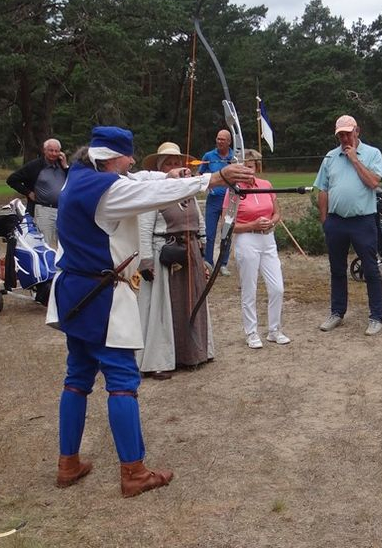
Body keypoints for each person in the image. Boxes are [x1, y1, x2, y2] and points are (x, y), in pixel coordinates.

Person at [46, 126, 254, 497]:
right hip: (99, 296)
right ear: (112, 157)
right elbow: (140, 190)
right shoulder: (105, 190)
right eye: (126, 157)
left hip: (74, 291)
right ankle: (134, 472)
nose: (129, 163)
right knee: (122, 381)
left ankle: (68, 463)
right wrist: (213, 178)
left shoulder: (79, 175)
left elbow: (136, 179)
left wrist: (168, 174)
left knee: (77, 377)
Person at [136, 142, 214, 379]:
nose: (174, 166)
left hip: (189, 252)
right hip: (164, 253)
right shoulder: (154, 192)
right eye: (168, 163)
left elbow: (199, 223)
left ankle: (195, 353)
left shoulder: (186, 190)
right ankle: (159, 360)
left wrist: (202, 250)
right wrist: (146, 260)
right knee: (163, 307)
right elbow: (144, 227)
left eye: (177, 162)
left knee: (192, 301)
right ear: (160, 168)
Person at [313, 115, 382, 336]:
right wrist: (325, 220)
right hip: (336, 221)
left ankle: (376, 316)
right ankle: (337, 312)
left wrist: (354, 159)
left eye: (347, 133)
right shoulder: (330, 157)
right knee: (337, 269)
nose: (344, 138)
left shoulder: (372, 154)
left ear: (357, 131)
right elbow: (323, 189)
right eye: (340, 134)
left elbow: (374, 182)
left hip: (363, 220)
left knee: (370, 269)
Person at [223, 149, 291, 349]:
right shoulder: (234, 190)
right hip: (246, 239)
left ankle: (274, 329)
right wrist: (252, 225)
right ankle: (251, 332)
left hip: (267, 239)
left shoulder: (266, 185)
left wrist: (271, 222)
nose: (247, 171)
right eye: (243, 167)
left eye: (250, 167)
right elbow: (227, 224)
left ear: (257, 167)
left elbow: (277, 213)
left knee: (277, 287)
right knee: (249, 288)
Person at [6, 138, 69, 246]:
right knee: (45, 244)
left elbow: (73, 182)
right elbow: (12, 179)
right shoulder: (34, 166)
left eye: (56, 151)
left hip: (63, 210)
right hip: (44, 210)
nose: (54, 154)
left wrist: (66, 166)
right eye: (51, 150)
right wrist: (28, 192)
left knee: (66, 245)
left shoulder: (63, 166)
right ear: (44, 151)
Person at [198, 129, 234, 276]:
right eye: (218, 139)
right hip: (213, 200)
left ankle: (223, 264)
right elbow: (200, 174)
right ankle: (208, 263)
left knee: (226, 232)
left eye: (222, 139)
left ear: (229, 142)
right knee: (209, 233)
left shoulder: (235, 156)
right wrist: (206, 186)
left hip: (230, 200)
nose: (219, 142)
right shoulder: (209, 156)